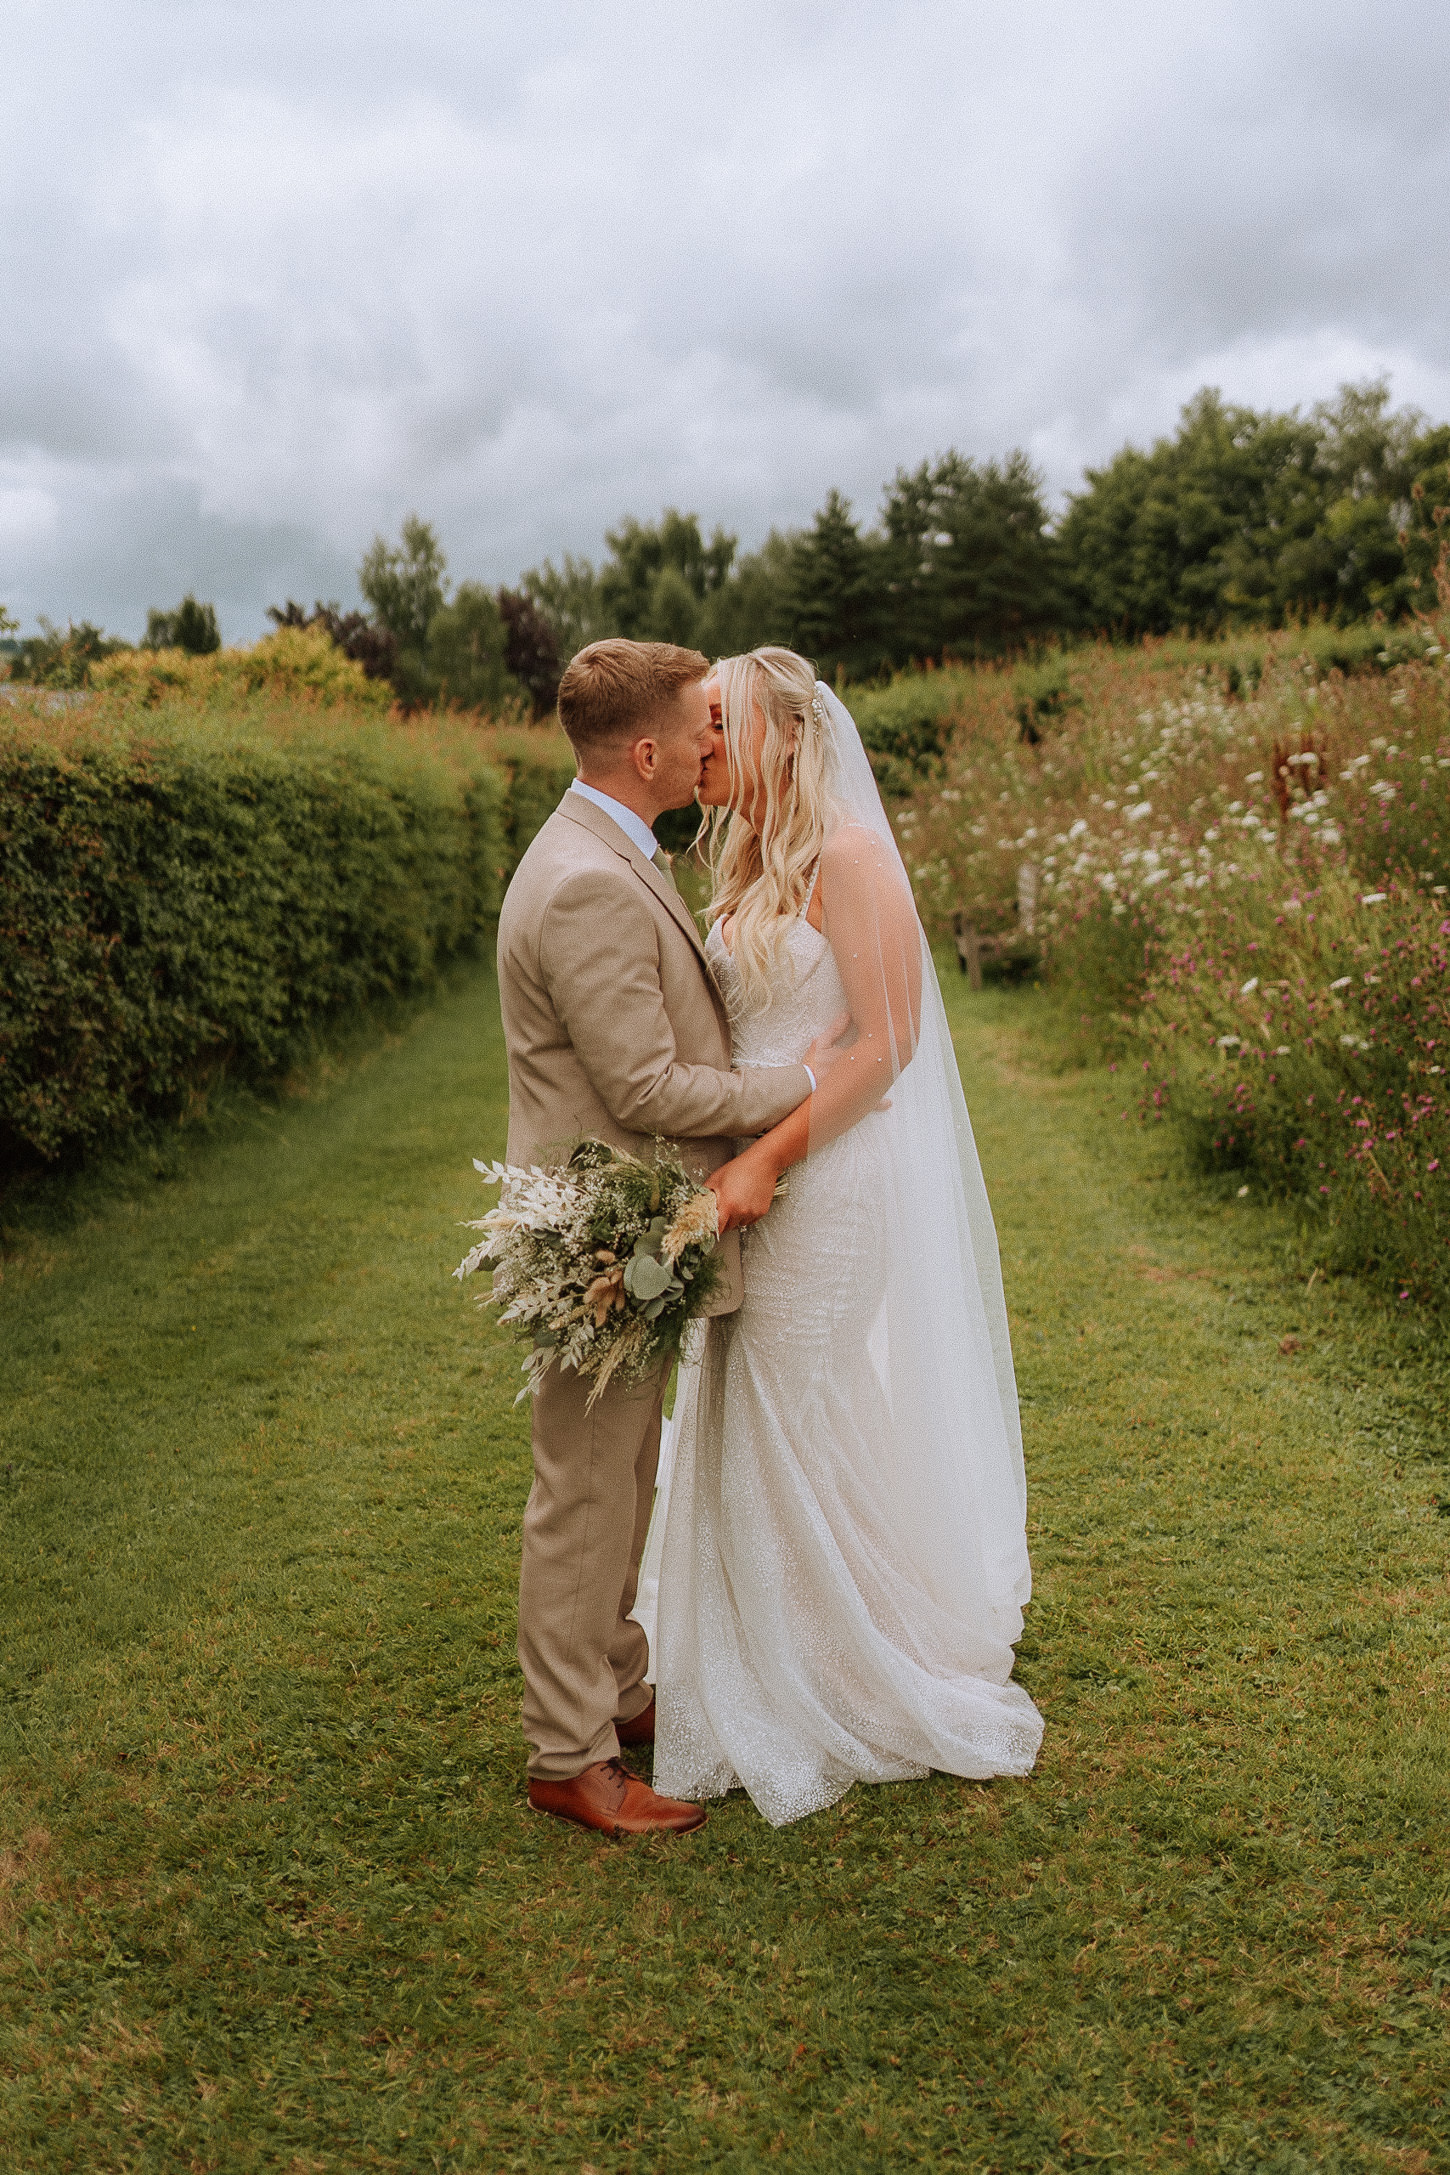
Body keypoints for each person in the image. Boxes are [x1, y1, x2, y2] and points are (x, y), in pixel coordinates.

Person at [645, 647, 1044, 1827]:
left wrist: (761, 1163)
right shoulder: (746, 860)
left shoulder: (853, 860)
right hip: (759, 1169)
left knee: (776, 1400)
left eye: (715, 723)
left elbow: (885, 1047)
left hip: (826, 1179)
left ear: (775, 732)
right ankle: (788, 1639)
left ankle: (831, 1669)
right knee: (766, 1407)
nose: (697, 741)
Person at [494, 638, 848, 1838]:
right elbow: (646, 1088)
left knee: (623, 1474)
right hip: (608, 1236)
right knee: (586, 1492)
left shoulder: (604, 848)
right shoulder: (588, 878)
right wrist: (792, 1081)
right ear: (644, 752)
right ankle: (567, 1755)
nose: (715, 741)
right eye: (700, 726)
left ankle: (619, 1693)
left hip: (631, 1226)